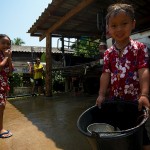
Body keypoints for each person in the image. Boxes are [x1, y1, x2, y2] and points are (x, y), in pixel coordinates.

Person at [96, 3, 150, 150]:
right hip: (115, 102)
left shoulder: (140, 48)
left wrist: (144, 94)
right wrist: (101, 94)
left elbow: (143, 70)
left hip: (135, 102)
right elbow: (105, 74)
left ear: (133, 24)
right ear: (108, 28)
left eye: (124, 24)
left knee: (140, 134)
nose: (119, 29)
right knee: (118, 130)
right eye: (114, 25)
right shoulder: (108, 53)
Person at [0, 34, 13, 138]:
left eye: (8, 43)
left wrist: (9, 58)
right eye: (3, 43)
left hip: (3, 85)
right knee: (1, 106)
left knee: (2, 106)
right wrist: (6, 57)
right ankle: (0, 130)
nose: (6, 45)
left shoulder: (5, 55)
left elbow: (10, 71)